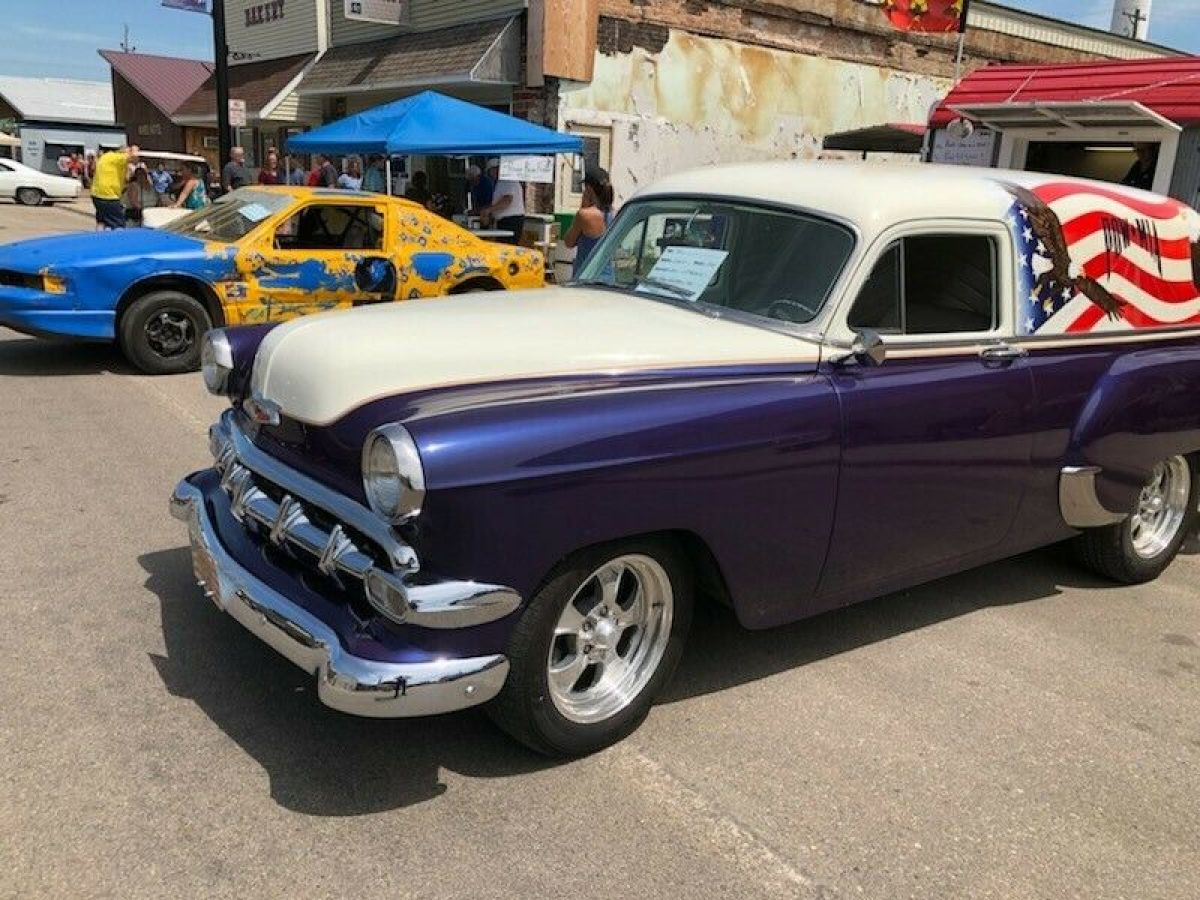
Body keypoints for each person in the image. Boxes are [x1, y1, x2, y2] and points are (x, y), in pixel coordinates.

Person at [565, 166, 616, 279]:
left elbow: (569, 242)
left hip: (585, 277)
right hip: (608, 277)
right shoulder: (616, 214)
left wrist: (582, 206)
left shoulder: (585, 215)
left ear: (589, 189)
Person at [91, 144, 138, 230]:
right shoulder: (118, 157)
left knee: (102, 221)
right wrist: (134, 150)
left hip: (96, 195)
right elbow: (133, 158)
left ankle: (99, 238)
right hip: (109, 196)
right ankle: (119, 241)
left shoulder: (106, 157)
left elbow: (126, 178)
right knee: (118, 224)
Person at [481, 158, 525, 245]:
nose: (490, 175)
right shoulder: (501, 182)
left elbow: (507, 200)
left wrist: (489, 210)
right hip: (506, 220)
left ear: (495, 169)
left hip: (511, 220)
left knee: (507, 247)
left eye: (490, 172)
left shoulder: (506, 180)